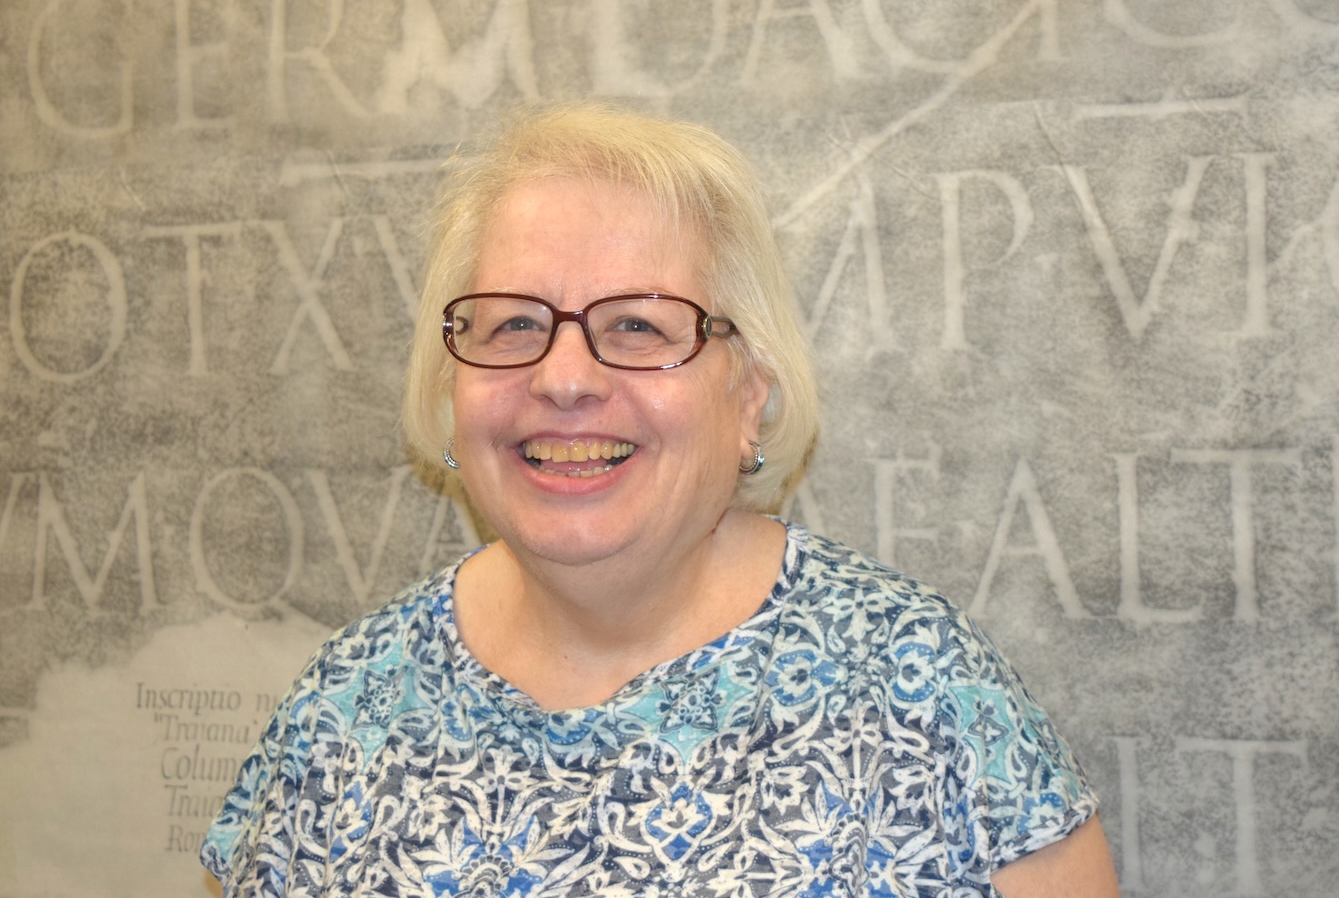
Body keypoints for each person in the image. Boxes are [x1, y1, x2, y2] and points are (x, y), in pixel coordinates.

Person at [202, 103, 1119, 897]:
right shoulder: (342, 712)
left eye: (636, 325)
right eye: (515, 321)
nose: (564, 379)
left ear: (748, 389)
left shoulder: (922, 691)